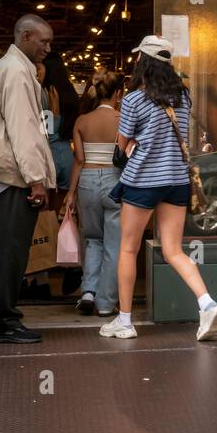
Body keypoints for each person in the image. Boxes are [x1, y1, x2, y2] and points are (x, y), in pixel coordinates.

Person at [103, 35, 217, 341]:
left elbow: (122, 143)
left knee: (128, 249)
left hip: (143, 182)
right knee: (173, 250)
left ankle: (125, 321)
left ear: (142, 62)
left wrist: (134, 144)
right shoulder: (183, 97)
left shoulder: (133, 99)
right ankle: (207, 303)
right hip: (176, 181)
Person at [0, 13, 56, 344]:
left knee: (2, 251)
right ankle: (3, 321)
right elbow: (24, 131)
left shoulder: (5, 68)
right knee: (10, 252)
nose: (48, 48)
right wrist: (36, 179)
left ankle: (1, 318)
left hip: (3, 174)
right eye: (43, 41)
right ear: (24, 37)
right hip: (13, 177)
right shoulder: (18, 73)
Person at [66, 69, 124, 320]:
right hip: (115, 179)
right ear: (118, 93)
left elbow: (79, 159)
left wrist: (70, 193)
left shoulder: (81, 121)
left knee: (92, 239)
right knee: (114, 244)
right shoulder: (123, 120)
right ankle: (105, 303)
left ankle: (88, 291)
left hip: (87, 180)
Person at [40, 51, 80, 202]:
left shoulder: (46, 94)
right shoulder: (71, 95)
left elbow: (45, 132)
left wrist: (53, 116)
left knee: (43, 212)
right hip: (67, 157)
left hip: (49, 156)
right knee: (60, 211)